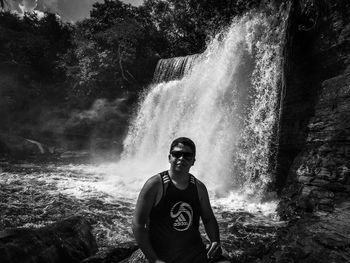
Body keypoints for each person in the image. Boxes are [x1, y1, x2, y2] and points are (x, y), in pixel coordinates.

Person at [132, 137, 229, 263]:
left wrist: (215, 241)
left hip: (196, 255)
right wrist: (154, 259)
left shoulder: (199, 187)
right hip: (164, 257)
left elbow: (208, 218)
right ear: (169, 158)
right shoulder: (155, 184)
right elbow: (138, 224)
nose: (181, 158)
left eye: (187, 155)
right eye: (177, 154)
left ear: (193, 161)